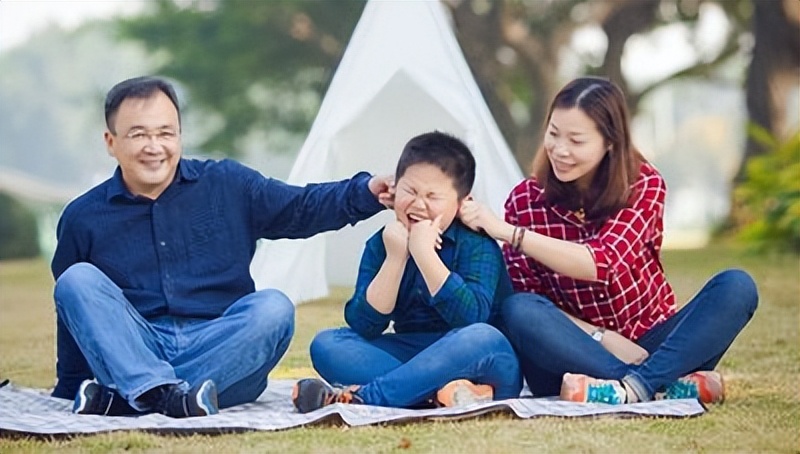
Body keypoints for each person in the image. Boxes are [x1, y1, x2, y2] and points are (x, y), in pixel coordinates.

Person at [51, 76, 392, 417]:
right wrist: (69, 385)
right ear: (111, 142)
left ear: (179, 136)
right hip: (137, 348)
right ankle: (167, 396)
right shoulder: (84, 216)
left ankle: (134, 398)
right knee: (76, 280)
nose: (154, 146)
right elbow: (75, 312)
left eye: (165, 133)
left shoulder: (226, 183)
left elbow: (301, 207)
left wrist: (366, 192)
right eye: (139, 134)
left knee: (273, 307)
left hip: (224, 352)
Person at [458, 77, 758, 405]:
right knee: (519, 307)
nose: (560, 150)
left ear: (610, 142)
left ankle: (633, 387)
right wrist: (604, 338)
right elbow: (532, 302)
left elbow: (603, 263)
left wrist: (507, 232)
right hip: (571, 353)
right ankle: (657, 383)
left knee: (736, 287)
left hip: (650, 344)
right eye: (554, 133)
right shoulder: (526, 200)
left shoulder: (644, 184)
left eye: (576, 140)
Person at [291, 131, 522, 413]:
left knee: (482, 336)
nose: (418, 204)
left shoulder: (477, 244)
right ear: (394, 189)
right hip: (412, 351)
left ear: (462, 203)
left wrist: (424, 254)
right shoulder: (384, 242)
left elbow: (471, 318)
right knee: (328, 344)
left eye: (433, 196)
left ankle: (369, 397)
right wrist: (396, 258)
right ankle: (444, 393)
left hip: (481, 358)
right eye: (410, 191)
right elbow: (364, 324)